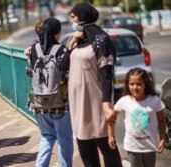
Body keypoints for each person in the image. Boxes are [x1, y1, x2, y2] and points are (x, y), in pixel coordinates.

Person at [61, 2, 122, 167]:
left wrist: (106, 104)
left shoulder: (102, 40)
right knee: (84, 143)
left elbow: (107, 74)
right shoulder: (77, 42)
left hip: (97, 101)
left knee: (106, 142)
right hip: (78, 103)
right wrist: (71, 43)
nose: (71, 20)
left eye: (73, 17)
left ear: (82, 17)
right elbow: (62, 66)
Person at [26, 18, 73, 167]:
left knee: (47, 136)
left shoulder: (33, 50)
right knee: (64, 139)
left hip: (39, 102)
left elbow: (28, 72)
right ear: (56, 33)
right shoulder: (62, 50)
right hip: (60, 101)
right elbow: (67, 75)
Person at [108, 67, 165, 167]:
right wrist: (110, 136)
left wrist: (162, 139)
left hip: (150, 146)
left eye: (139, 84)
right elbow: (111, 119)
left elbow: (161, 121)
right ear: (127, 85)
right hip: (132, 146)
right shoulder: (124, 101)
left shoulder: (155, 101)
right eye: (132, 84)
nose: (135, 87)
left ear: (145, 84)